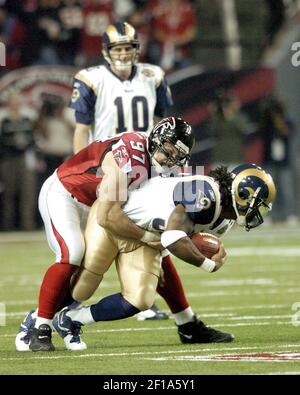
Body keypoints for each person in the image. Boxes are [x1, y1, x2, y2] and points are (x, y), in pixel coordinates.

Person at [15, 116, 194, 352]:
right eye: (168, 151)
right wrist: (144, 236)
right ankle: (41, 326)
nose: (171, 160)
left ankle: (188, 322)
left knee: (92, 273)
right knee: (73, 253)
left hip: (99, 205)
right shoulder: (129, 154)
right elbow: (107, 216)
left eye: (177, 156)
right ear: (156, 141)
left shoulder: (167, 168)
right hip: (66, 194)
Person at [51, 163, 276, 349]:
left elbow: (172, 239)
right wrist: (208, 263)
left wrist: (201, 247)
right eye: (258, 205)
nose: (258, 213)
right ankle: (38, 319)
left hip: (145, 237)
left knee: (138, 300)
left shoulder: (224, 219)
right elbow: (172, 238)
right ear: (243, 195)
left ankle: (72, 319)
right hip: (114, 221)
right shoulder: (207, 194)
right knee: (83, 285)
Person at [70, 20, 172, 320]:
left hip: (143, 167)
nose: (124, 53)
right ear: (106, 51)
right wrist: (84, 167)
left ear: (136, 49)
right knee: (97, 241)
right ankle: (67, 304)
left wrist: (163, 166)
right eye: (118, 48)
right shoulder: (92, 79)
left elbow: (160, 124)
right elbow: (82, 129)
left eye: (128, 47)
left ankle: (149, 300)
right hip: (109, 166)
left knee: (151, 234)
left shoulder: (153, 76)